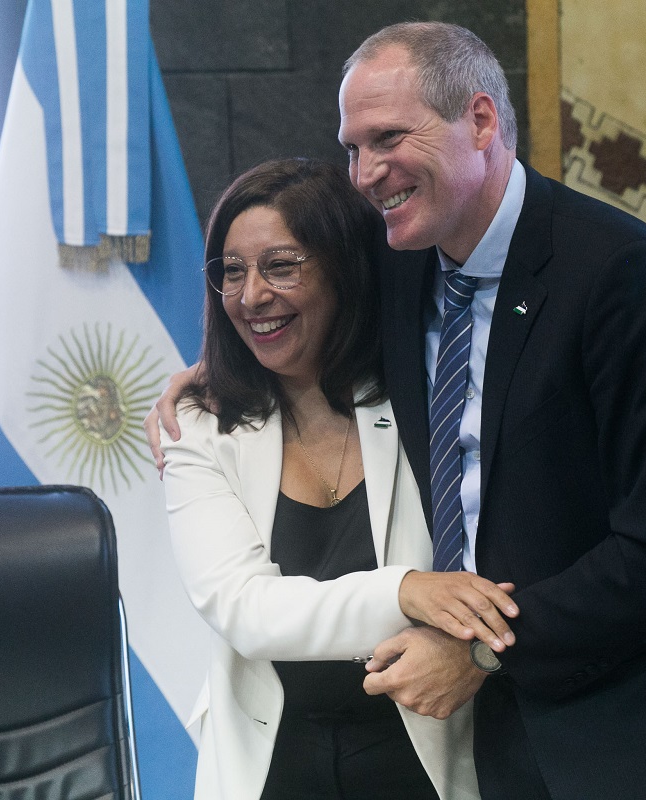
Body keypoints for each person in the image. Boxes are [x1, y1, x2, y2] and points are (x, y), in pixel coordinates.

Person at [153, 21, 646, 800]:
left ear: (481, 120)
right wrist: (209, 371)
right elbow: (292, 303)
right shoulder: (401, 264)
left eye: (389, 137)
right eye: (353, 147)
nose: (366, 173)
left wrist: (480, 651)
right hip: (508, 741)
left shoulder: (622, 275)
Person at [161, 157, 517, 800]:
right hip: (272, 763)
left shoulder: (430, 395)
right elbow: (244, 609)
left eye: (281, 265)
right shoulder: (201, 423)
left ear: (344, 270)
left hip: (429, 750)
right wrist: (404, 592)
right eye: (231, 272)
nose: (251, 296)